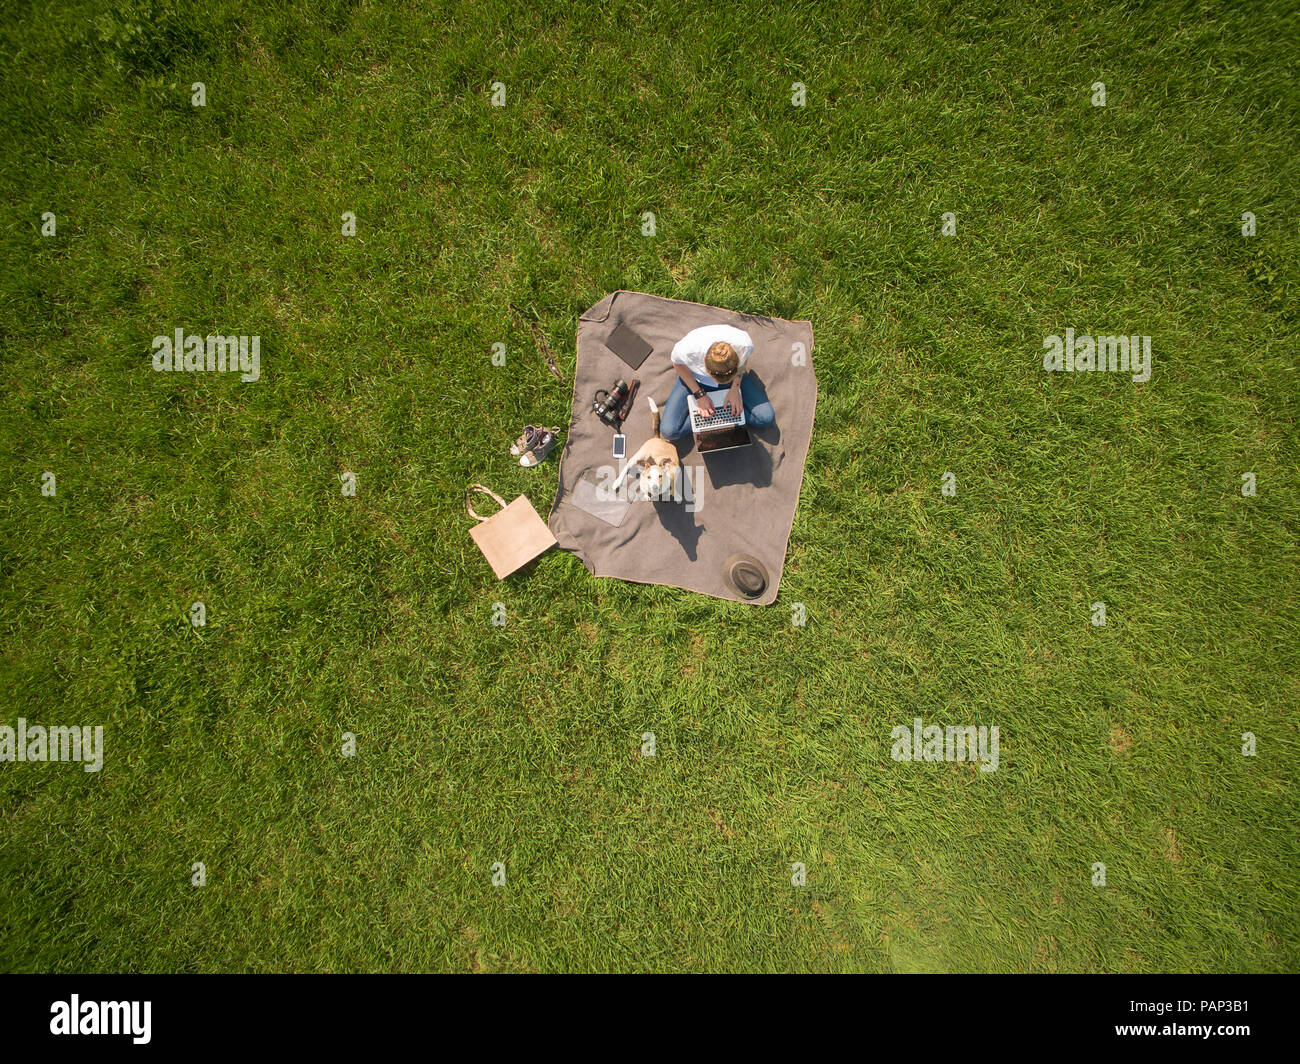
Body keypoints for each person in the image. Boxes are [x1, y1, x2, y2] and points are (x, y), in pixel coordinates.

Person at [660, 324, 775, 441]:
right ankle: (713, 414)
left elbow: (743, 365)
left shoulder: (744, 344)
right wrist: (699, 395)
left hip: (736, 381)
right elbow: (677, 365)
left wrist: (735, 389)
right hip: (696, 380)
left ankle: (721, 414)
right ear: (707, 370)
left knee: (765, 418)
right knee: (669, 431)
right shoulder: (686, 350)